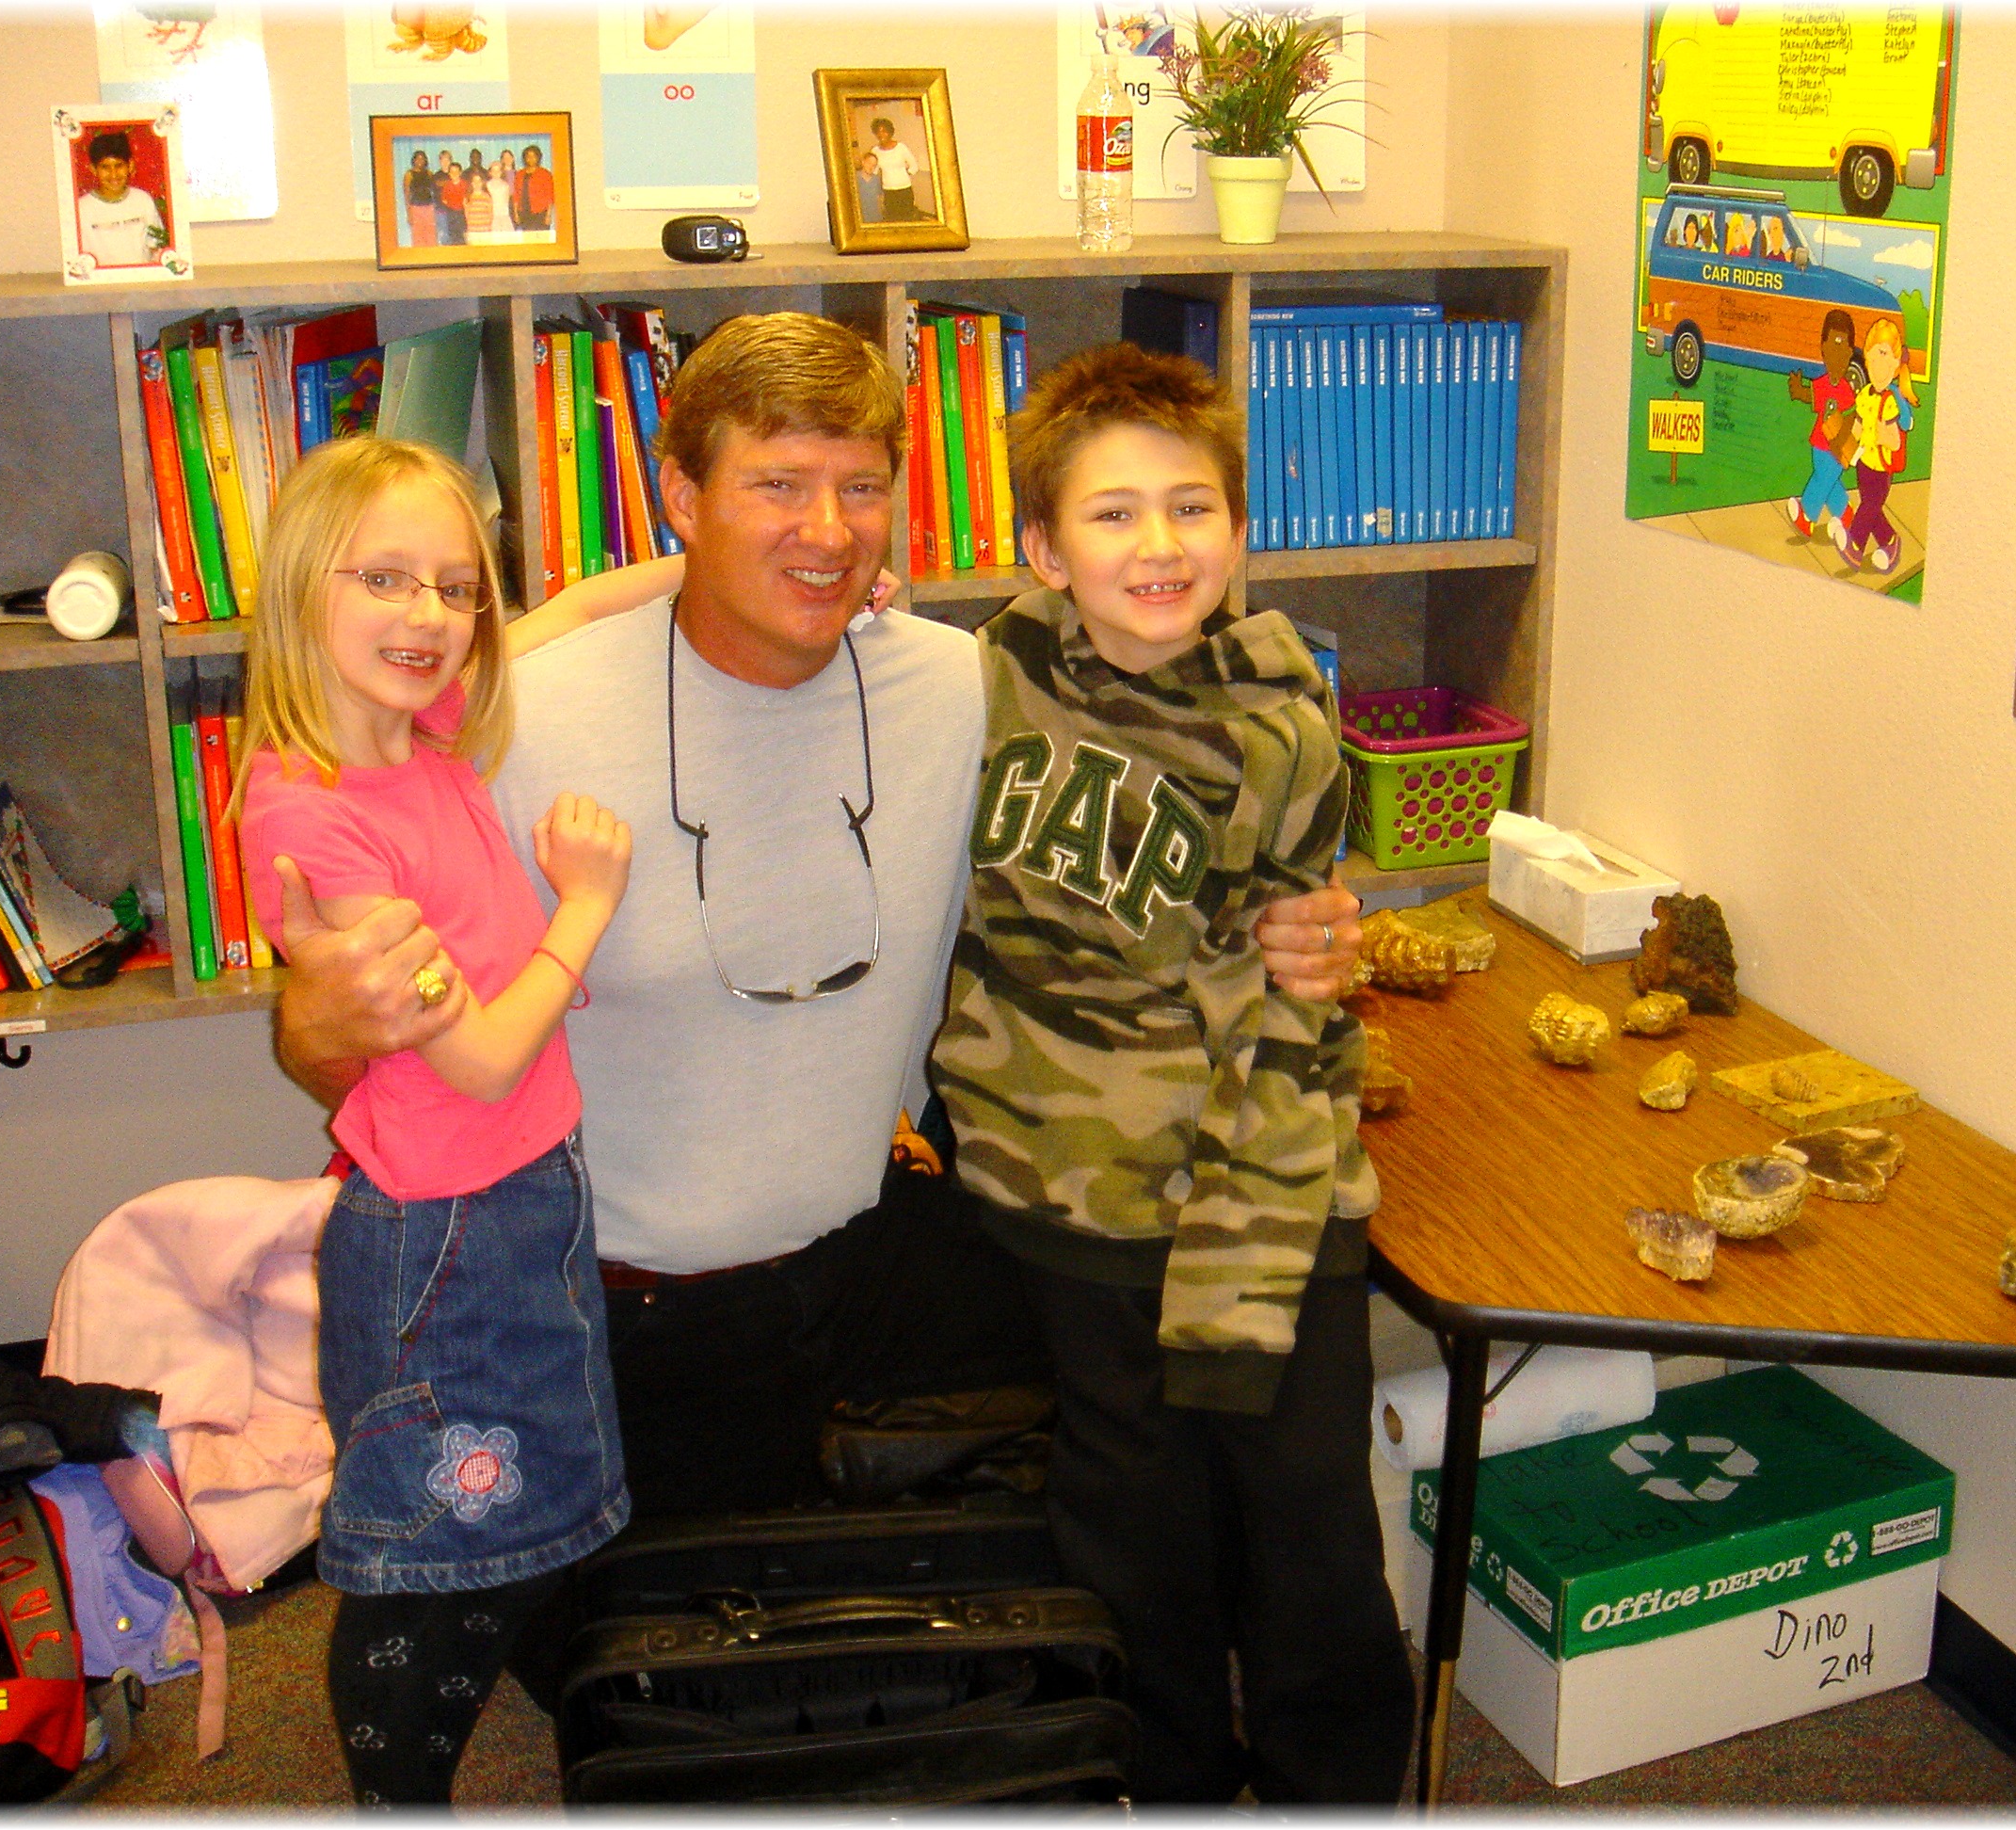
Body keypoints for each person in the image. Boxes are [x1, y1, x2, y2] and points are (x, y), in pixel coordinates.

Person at [268, 313, 1363, 1533]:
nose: (829, 531)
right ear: (682, 497)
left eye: (862, 489)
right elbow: (367, 1029)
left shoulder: (968, 686)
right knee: (615, 1626)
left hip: (873, 1260)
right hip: (607, 1305)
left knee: (1116, 1514)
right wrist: (314, 1022)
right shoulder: (506, 721)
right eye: (779, 486)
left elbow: (1153, 775)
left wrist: (1290, 919)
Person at [924, 343, 1413, 1805]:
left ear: (1239, 530)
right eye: (1114, 512)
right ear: (1042, 549)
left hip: (1262, 1182)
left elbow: (1298, 931)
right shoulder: (974, 682)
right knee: (1134, 1534)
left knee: (1310, 1523)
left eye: (1193, 508)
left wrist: (1323, 945)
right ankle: (1172, 1782)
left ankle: (1336, 1790)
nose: (1159, 545)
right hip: (1074, 1188)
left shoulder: (1285, 720)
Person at [234, 438, 637, 1806]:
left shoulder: (419, 728)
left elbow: (570, 610)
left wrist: (707, 565)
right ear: (305, 588)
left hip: (520, 1205)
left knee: (514, 1521)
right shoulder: (313, 817)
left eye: (456, 588)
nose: (432, 616)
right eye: (387, 579)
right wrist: (587, 902)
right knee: (436, 1553)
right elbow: (478, 1058)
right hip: (447, 1243)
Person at [1834, 314, 1915, 572]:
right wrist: (1846, 447)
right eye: (1873, 356)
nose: (1878, 364)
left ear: (1895, 364)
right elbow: (1857, 426)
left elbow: (1894, 441)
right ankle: (1890, 543)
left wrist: (1881, 435)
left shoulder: (1890, 402)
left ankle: (1855, 547)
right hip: (1864, 462)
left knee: (1869, 505)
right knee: (1872, 508)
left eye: (1884, 355)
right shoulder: (1865, 396)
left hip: (1881, 466)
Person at [1785, 309, 1858, 541]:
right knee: (1831, 484)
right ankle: (1847, 516)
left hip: (1836, 448)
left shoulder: (1846, 391)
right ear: (1823, 349)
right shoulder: (1823, 383)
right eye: (1832, 348)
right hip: (1819, 444)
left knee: (1822, 480)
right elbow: (1810, 395)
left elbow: (1852, 418)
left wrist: (1845, 441)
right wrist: (1797, 390)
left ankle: (1807, 517)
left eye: (1842, 350)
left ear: (1849, 354)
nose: (1836, 356)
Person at [74, 128, 167, 268]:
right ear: (93, 169)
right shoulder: (81, 208)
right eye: (105, 167)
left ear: (130, 166)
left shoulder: (143, 200)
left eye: (119, 166)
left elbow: (156, 247)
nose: (113, 174)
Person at [864, 116, 921, 220]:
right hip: (888, 191)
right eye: (878, 132)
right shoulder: (875, 151)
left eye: (884, 131)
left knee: (907, 219)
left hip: (904, 190)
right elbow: (874, 171)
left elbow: (914, 166)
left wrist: (905, 174)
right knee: (892, 219)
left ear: (890, 132)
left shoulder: (901, 147)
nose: (881, 134)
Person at [513, 143, 553, 233]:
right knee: (528, 237)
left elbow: (550, 196)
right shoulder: (519, 174)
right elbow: (516, 195)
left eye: (533, 156)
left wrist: (548, 215)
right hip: (524, 213)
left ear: (538, 157)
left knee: (541, 238)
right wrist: (515, 213)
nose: (530, 159)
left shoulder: (545, 174)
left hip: (540, 213)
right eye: (528, 156)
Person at [402, 150, 438, 248]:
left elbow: (434, 190)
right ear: (413, 160)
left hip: (429, 206)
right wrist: (409, 213)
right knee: (417, 235)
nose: (420, 161)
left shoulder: (429, 173)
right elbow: (406, 194)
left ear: (425, 160)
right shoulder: (409, 174)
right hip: (415, 208)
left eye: (422, 159)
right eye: (417, 159)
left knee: (431, 234)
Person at [433, 152, 467, 246]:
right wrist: (451, 206)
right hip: (449, 213)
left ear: (460, 172)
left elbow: (466, 198)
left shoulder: (464, 184)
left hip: (461, 213)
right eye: (443, 159)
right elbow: (443, 198)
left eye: (447, 159)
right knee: (450, 235)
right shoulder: (445, 183)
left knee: (462, 236)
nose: (454, 174)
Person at [488, 150, 515, 235]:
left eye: (498, 170)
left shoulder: (505, 185)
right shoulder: (488, 185)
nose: (496, 173)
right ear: (490, 172)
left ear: (501, 172)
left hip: (504, 214)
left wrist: (505, 214)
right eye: (493, 171)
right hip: (492, 215)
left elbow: (506, 201)